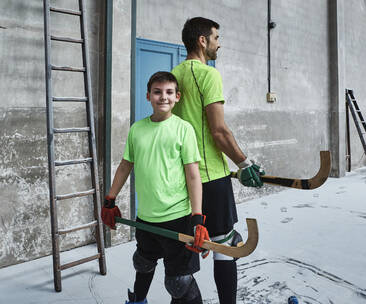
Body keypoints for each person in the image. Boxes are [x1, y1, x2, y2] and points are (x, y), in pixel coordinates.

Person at [171, 17, 265, 304]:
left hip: (182, 179)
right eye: (215, 37)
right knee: (224, 249)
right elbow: (219, 131)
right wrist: (244, 163)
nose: (218, 43)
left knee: (188, 247)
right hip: (211, 177)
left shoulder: (173, 75)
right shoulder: (208, 74)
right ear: (202, 40)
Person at [101, 71, 209, 304]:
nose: (163, 97)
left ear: (177, 97)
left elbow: (193, 175)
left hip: (177, 219)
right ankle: (138, 301)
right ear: (148, 96)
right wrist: (110, 200)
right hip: (146, 218)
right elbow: (124, 166)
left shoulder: (183, 129)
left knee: (178, 282)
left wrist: (197, 217)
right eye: (157, 92)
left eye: (169, 92)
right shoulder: (137, 129)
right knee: (143, 262)